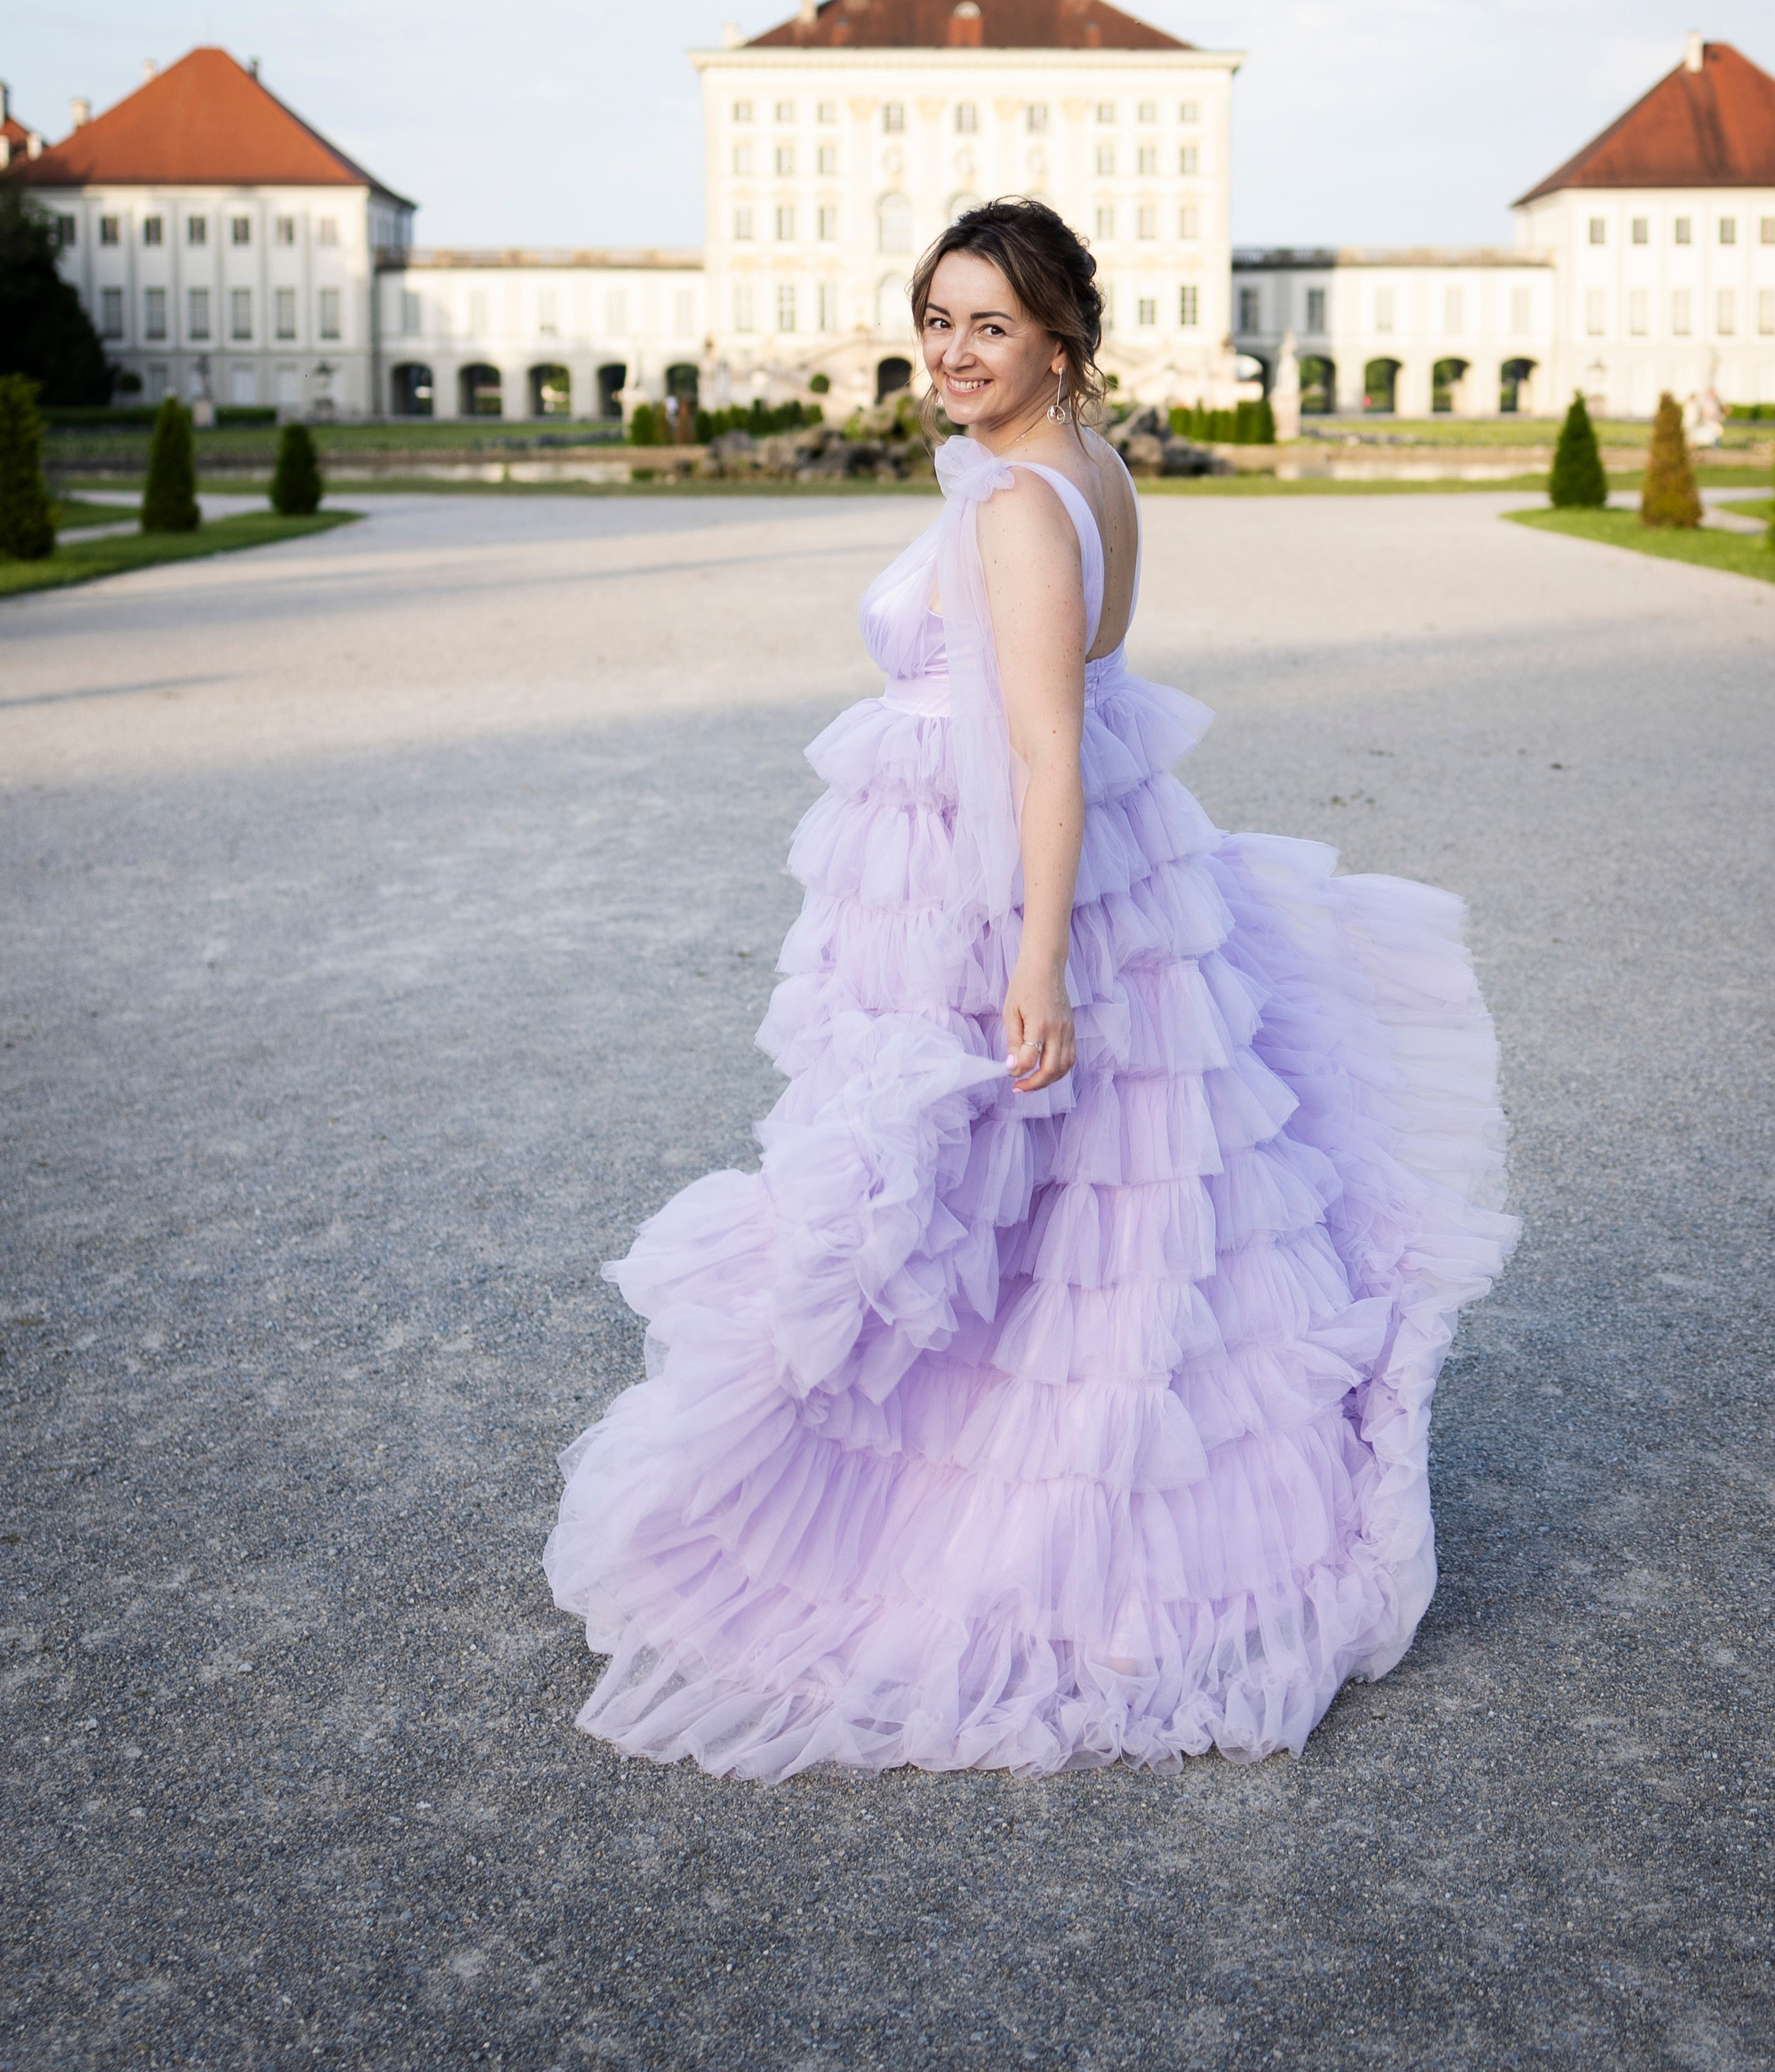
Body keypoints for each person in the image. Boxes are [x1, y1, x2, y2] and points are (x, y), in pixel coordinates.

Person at [546, 199, 1516, 1781]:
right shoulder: (1096, 467)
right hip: (1109, 873)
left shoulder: (1012, 502)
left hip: (1012, 890)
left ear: (1055, 335)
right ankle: (1109, 1498)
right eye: (933, 319)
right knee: (1088, 1222)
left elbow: (1043, 747)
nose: (947, 352)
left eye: (985, 324)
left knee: (973, 1213)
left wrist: (1030, 957)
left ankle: (1005, 1535)